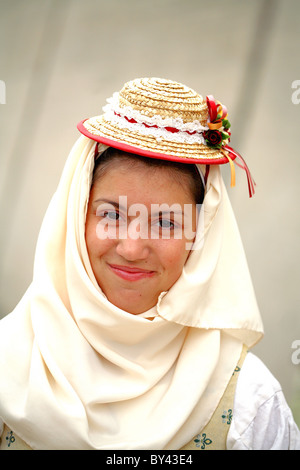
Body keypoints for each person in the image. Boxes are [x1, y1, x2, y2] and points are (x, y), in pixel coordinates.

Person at [0, 77, 299, 451]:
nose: (131, 247)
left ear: (200, 237)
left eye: (166, 222)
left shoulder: (248, 401)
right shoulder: (7, 362)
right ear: (77, 217)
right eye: (111, 215)